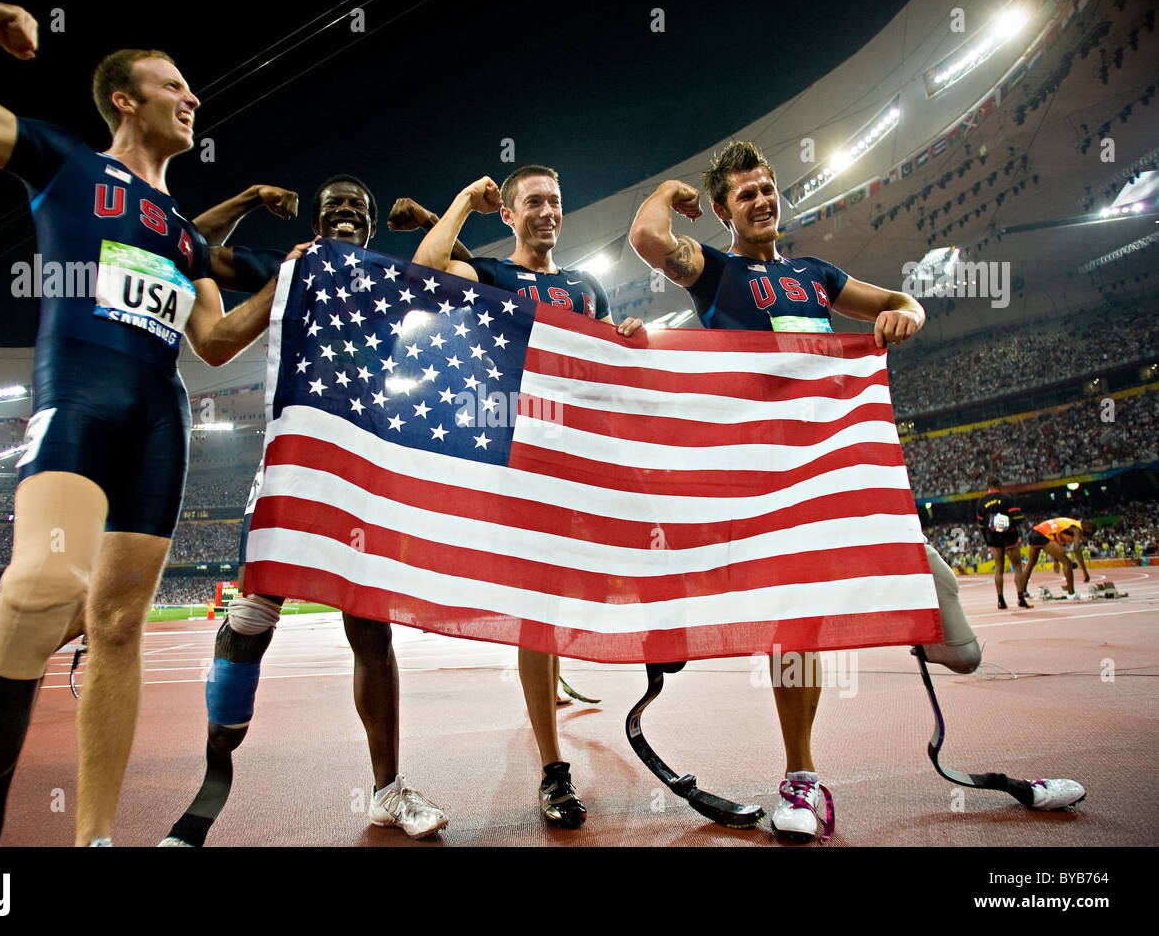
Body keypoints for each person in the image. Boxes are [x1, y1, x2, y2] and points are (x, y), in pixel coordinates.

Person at [0, 1, 281, 847]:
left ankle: (92, 840)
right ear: (123, 100)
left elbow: (213, 341)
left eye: (192, 86)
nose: (193, 97)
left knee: (120, 624)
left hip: (159, 418)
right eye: (173, 84)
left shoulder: (180, 235)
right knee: (47, 587)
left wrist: (295, 279)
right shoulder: (65, 164)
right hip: (80, 395)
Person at [628, 140, 1084, 840]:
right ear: (722, 210)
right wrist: (667, 187)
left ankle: (897, 616)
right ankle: (802, 777)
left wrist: (908, 316)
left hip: (843, 480)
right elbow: (648, 238)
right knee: (798, 620)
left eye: (768, 187)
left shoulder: (815, 274)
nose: (762, 201)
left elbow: (901, 301)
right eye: (744, 194)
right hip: (772, 486)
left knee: (963, 653)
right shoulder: (714, 273)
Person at [161, 176, 456, 844]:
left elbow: (451, 267)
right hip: (294, 460)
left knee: (371, 630)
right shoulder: (290, 266)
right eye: (333, 208)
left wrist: (439, 210)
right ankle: (208, 789)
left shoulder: (387, 274)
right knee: (249, 623)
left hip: (364, 467)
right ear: (318, 223)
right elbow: (188, 249)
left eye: (358, 207)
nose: (346, 213)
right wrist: (245, 202)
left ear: (373, 227)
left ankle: (386, 792)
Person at [413, 166, 642, 829]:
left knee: (594, 594)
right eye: (534, 202)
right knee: (538, 614)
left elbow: (604, 371)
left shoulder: (586, 286)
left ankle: (563, 679)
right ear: (509, 215)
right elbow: (426, 272)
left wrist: (622, 342)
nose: (548, 211)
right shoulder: (494, 277)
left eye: (555, 202)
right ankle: (553, 769)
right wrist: (461, 200)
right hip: (525, 460)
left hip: (588, 460)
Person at [977, 479, 1031, 608]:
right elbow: (1018, 518)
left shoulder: (981, 502)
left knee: (998, 568)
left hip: (992, 537)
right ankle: (1021, 598)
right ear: (999, 486)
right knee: (1017, 566)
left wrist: (988, 538)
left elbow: (981, 525)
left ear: (988, 486)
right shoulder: (1006, 498)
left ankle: (1000, 600)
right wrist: (1006, 523)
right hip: (1009, 535)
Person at [1023, 517, 1096, 595]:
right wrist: (1085, 572)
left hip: (1034, 532)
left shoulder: (1067, 526)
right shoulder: (1077, 528)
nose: (1086, 536)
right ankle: (1071, 594)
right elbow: (1076, 549)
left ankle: (1022, 591)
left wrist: (1056, 561)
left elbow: (1055, 543)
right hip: (1043, 534)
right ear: (1088, 528)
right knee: (1067, 562)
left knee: (1030, 563)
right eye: (1089, 534)